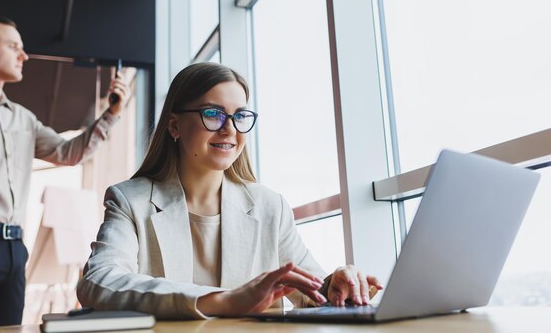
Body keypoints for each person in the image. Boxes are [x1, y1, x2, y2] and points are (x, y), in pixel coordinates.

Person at [77, 62, 382, 319]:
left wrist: (337, 285)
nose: (230, 129)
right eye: (213, 114)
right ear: (174, 126)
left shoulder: (269, 207)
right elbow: (98, 282)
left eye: (239, 116)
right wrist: (224, 300)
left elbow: (313, 291)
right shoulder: (130, 200)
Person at [0, 17, 131, 331]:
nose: (24, 56)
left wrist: (112, 114)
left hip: (13, 250)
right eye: (14, 47)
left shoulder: (23, 118)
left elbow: (68, 153)